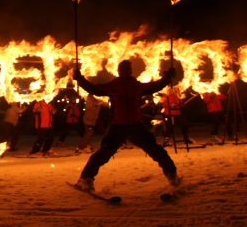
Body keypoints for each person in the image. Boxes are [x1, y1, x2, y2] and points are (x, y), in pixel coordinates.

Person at [73, 60, 181, 192]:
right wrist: (81, 80)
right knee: (104, 153)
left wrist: (167, 78)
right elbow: (95, 89)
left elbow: (155, 86)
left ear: (131, 71)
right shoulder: (113, 85)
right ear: (118, 71)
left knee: (156, 150)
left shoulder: (137, 85)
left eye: (127, 69)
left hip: (136, 125)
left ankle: (171, 175)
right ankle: (86, 178)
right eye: (122, 69)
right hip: (117, 126)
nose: (124, 71)